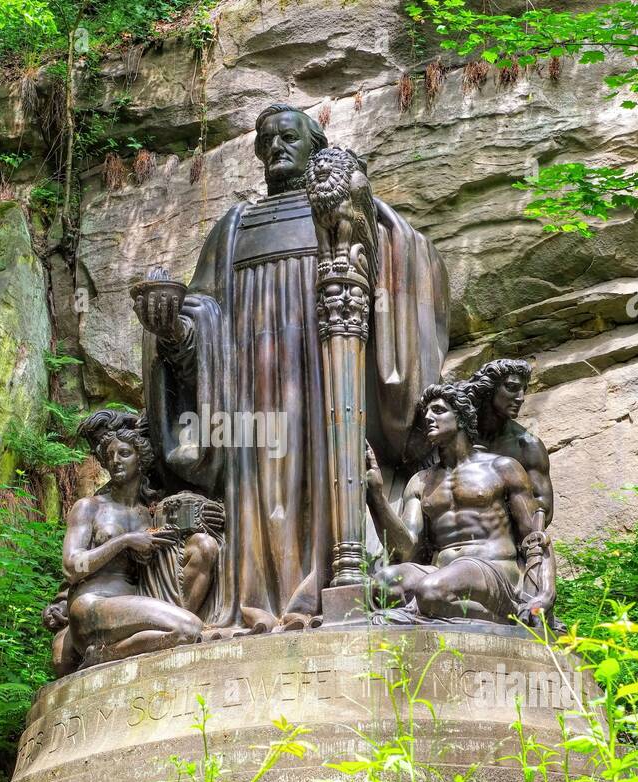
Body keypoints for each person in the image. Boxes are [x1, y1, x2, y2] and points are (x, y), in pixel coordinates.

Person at [138, 103, 451, 628]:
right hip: (250, 393)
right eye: (267, 140)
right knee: (257, 488)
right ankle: (256, 603)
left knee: (331, 468)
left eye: (288, 137)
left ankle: (328, 590)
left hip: (328, 376)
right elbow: (205, 314)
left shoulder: (346, 210)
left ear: (316, 147)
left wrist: (372, 228)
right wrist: (174, 329)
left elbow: (406, 265)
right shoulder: (235, 228)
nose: (276, 147)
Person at [364, 381, 556, 627]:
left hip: (494, 570)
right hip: (440, 573)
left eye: (439, 411)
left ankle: (506, 618)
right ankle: (430, 612)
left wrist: (545, 594)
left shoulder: (502, 468)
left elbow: (536, 537)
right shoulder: (421, 481)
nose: (429, 419)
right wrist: (376, 496)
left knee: (430, 591)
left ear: (462, 418)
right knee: (383, 585)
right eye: (426, 414)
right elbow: (404, 549)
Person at [53, 411, 212, 673]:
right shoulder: (89, 507)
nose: (115, 461)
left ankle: (109, 654)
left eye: (124, 454)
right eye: (110, 455)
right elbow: (72, 567)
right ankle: (100, 655)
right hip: (93, 605)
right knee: (189, 629)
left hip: (137, 604)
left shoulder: (149, 512)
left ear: (141, 460)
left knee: (188, 627)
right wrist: (125, 541)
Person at [463, 358, 553, 525]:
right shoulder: (456, 430)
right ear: (489, 389)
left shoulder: (528, 445)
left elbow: (544, 508)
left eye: (523, 390)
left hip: (503, 535)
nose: (521, 398)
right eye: (512, 388)